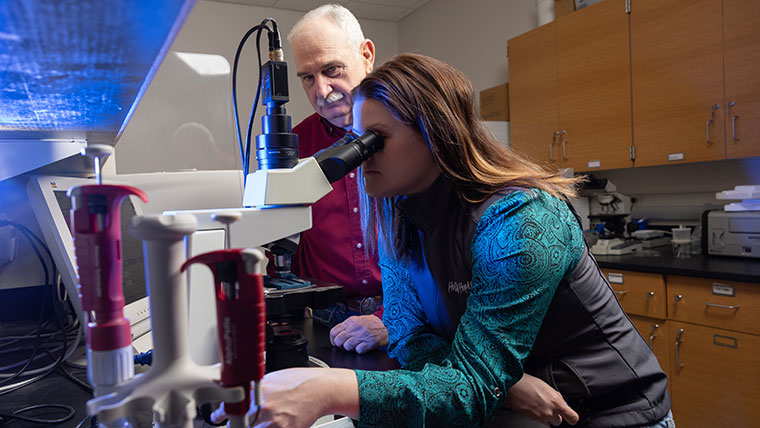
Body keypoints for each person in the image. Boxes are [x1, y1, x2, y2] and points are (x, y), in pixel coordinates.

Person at [221, 54, 676, 428]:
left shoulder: (521, 220)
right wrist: (500, 382)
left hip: (612, 411)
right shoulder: (400, 214)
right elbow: (405, 333)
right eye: (358, 140)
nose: (360, 159)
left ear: (436, 136)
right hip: (520, 409)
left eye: (375, 140)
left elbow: (470, 391)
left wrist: (329, 390)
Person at [285, 4, 387, 354]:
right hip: (328, 323)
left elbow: (440, 249)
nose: (322, 90)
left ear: (366, 55)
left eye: (332, 70)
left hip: (408, 317)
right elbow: (280, 245)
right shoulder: (294, 147)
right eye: (308, 78)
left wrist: (392, 318)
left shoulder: (412, 137)